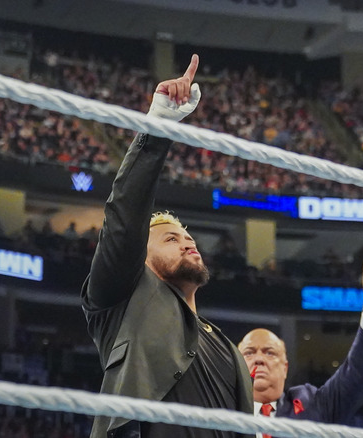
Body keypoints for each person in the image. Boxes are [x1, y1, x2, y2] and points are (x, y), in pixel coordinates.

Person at [82, 54, 253, 438]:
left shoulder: (226, 348)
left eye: (190, 238)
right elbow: (125, 219)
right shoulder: (123, 300)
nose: (188, 243)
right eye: (171, 238)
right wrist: (157, 126)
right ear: (139, 258)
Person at [239, 249, 363, 433]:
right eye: (249, 352)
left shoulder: (312, 403)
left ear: (285, 368)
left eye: (269, 352)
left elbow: (357, 375)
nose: (258, 359)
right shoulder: (216, 405)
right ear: (236, 367)